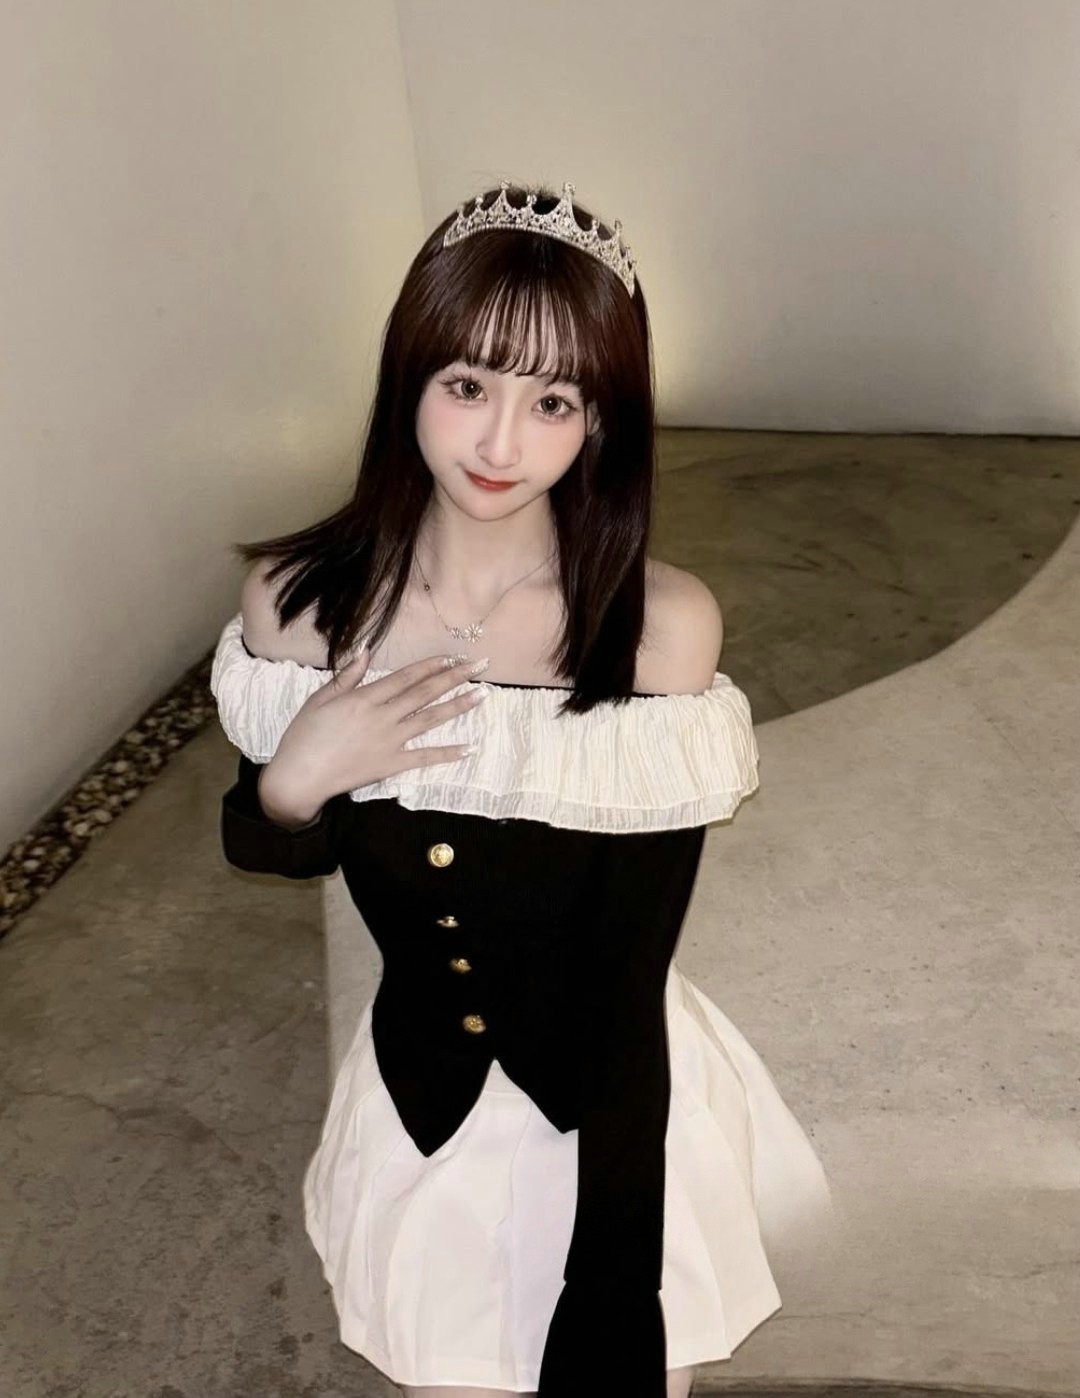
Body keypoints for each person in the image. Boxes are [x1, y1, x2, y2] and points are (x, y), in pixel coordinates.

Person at [209, 180, 833, 1398]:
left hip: (605, 1102)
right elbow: (266, 837)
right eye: (468, 386)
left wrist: (614, 1289)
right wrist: (293, 789)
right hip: (419, 1087)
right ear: (410, 379)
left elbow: (628, 978)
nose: (501, 445)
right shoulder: (299, 609)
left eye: (553, 402)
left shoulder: (657, 634)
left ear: (601, 422)